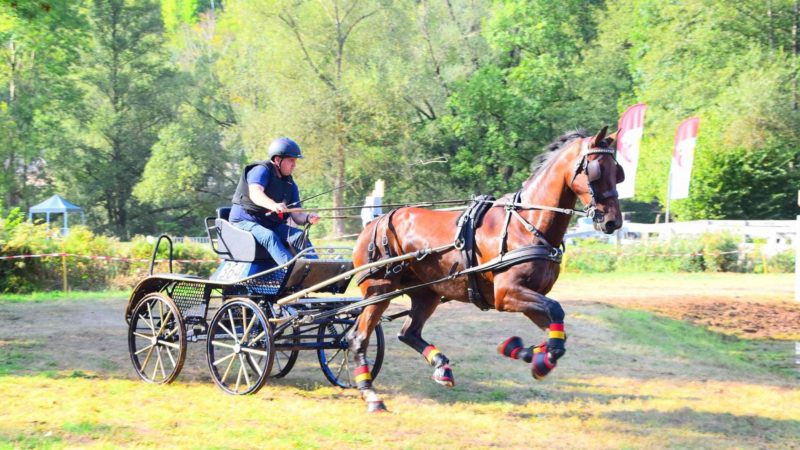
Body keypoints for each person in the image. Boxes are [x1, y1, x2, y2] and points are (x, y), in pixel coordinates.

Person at [229, 137, 320, 264]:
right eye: (291, 160)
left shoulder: (290, 183)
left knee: (299, 235)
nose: (294, 164)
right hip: (244, 220)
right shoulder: (261, 170)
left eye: (295, 161)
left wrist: (308, 217)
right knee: (269, 236)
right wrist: (273, 205)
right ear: (278, 160)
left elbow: (297, 215)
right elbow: (256, 193)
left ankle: (317, 273)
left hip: (269, 223)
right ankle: (291, 272)